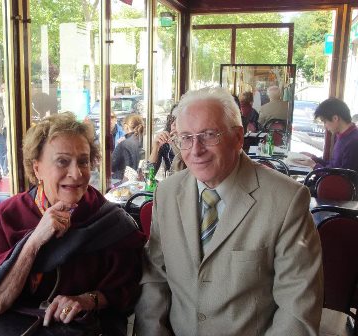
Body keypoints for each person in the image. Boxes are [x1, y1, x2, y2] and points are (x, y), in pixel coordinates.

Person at [134, 87, 323, 335]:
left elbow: (297, 309)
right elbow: (155, 278)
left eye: (209, 135)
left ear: (238, 137)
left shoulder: (287, 200)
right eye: (186, 138)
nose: (195, 149)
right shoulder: (167, 193)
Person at [0, 113, 145, 335]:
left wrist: (88, 300)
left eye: (83, 161)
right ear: (37, 169)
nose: (76, 174)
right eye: (62, 161)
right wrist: (34, 241)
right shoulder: (7, 216)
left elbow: (129, 289)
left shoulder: (110, 221)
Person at [294, 98, 358, 172]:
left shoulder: (353, 142)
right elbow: (333, 166)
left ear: (335, 118)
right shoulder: (341, 136)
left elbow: (343, 179)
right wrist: (313, 158)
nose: (325, 126)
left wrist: (314, 166)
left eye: (324, 121)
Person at [147, 106, 186, 175]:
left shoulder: (194, 144)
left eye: (179, 120)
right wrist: (156, 147)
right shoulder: (166, 144)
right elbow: (149, 175)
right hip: (171, 184)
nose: (173, 124)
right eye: (172, 119)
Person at [111, 114, 144, 180]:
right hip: (143, 180)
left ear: (126, 127)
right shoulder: (146, 142)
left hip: (125, 182)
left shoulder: (123, 144)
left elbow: (111, 166)